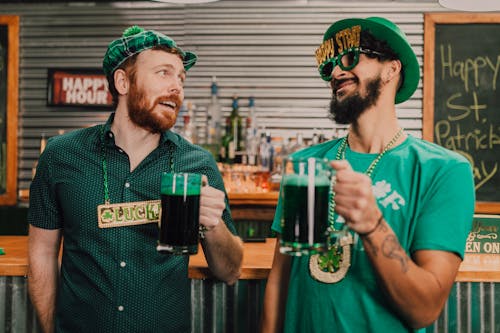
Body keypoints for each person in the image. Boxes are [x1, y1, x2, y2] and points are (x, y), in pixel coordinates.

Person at [261, 17, 475, 333]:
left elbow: (424, 309)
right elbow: (280, 279)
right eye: (329, 65)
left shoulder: (443, 171)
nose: (335, 73)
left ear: (391, 68)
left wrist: (373, 226)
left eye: (349, 58)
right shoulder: (305, 165)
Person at [28, 25, 243, 333]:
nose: (177, 87)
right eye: (163, 73)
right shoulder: (61, 156)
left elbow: (230, 271)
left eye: (181, 77)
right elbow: (42, 252)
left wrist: (213, 225)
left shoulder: (198, 164)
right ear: (123, 81)